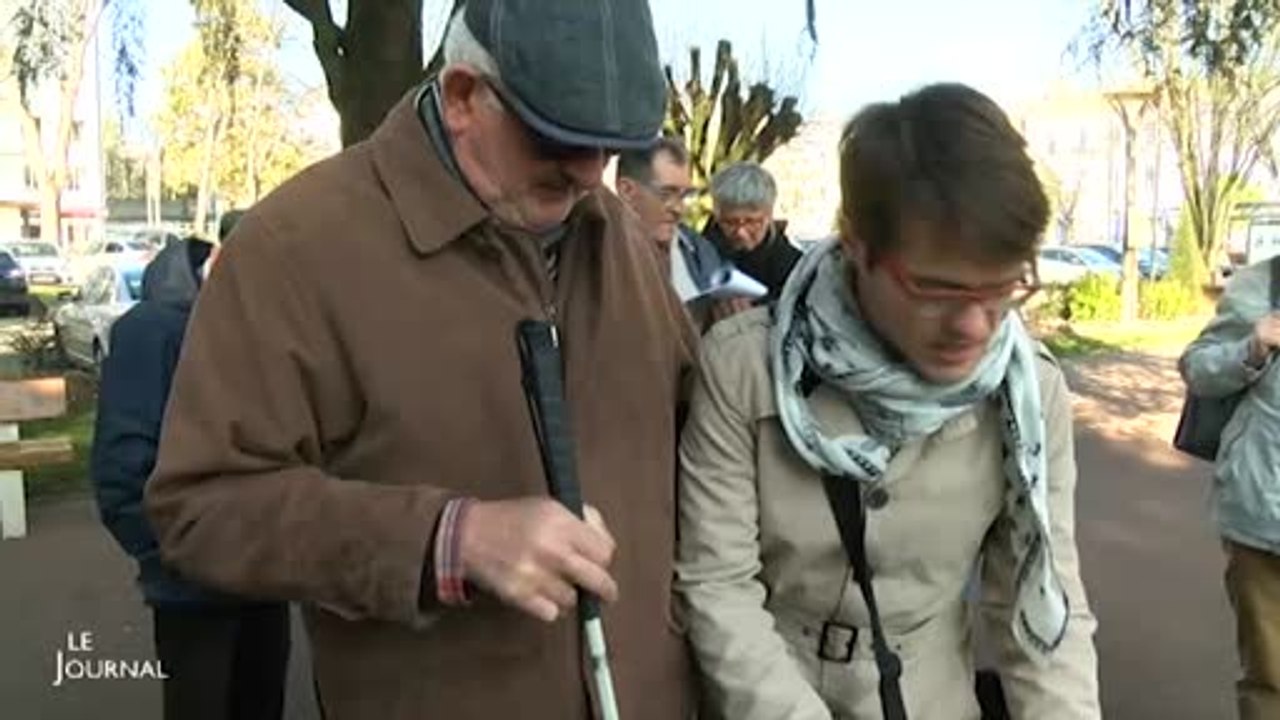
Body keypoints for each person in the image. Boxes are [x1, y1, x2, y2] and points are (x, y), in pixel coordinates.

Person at [143, 2, 695, 718]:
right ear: (464, 96)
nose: (589, 174)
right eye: (555, 135)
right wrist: (447, 539)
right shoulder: (296, 249)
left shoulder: (622, 239)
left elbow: (700, 441)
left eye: (610, 145)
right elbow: (198, 509)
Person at [675, 83, 1100, 719]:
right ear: (856, 243)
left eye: (1004, 289)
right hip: (765, 692)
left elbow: (1042, 600)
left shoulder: (1028, 393)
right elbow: (716, 583)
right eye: (937, 289)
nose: (977, 327)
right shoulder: (745, 367)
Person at [91, 212, 291, 720]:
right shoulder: (152, 330)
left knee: (261, 705)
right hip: (192, 586)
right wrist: (175, 554)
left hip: (263, 577)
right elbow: (120, 469)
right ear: (224, 257)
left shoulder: (253, 324)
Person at [1179, 255, 1280, 720]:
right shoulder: (1265, 283)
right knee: (1270, 676)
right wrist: (1252, 349)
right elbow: (1198, 368)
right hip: (1263, 513)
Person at [701, 161, 802, 303]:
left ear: (769, 214)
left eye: (751, 222)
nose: (741, 232)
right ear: (717, 215)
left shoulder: (794, 268)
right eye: (730, 222)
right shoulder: (697, 254)